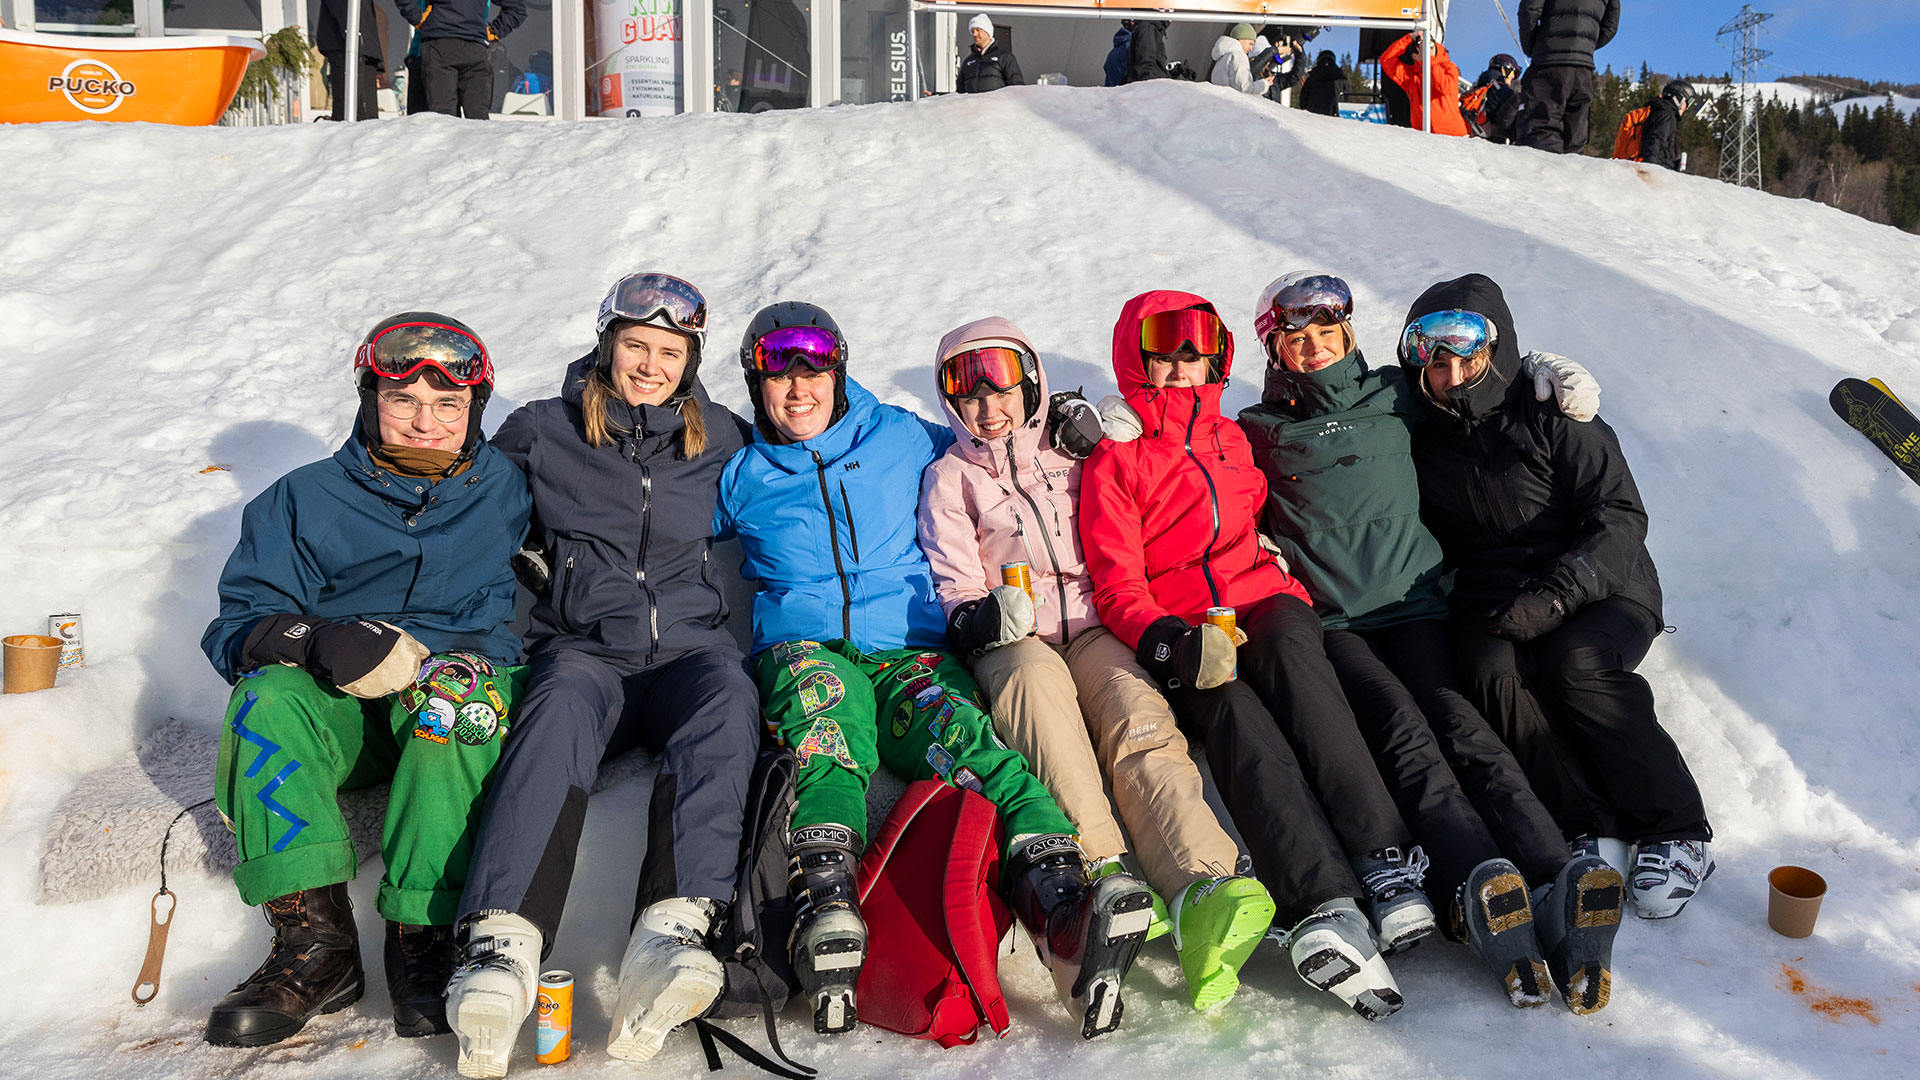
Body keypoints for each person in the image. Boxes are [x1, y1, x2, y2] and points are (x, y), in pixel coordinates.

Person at [714, 303, 1154, 1039]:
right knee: (829, 747)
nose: (798, 391)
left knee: (977, 750)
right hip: (805, 649)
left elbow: (997, 441)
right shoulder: (741, 473)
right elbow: (653, 519)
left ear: (839, 372)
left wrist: (1073, 419)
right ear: (754, 383)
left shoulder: (897, 434)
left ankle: (1062, 905)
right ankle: (827, 905)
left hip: (911, 650)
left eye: (813, 372)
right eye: (777, 375)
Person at [1239, 273, 1625, 1014]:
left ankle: (1553, 874)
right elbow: (1196, 466)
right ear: (1276, 349)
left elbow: (1472, 392)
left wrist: (1537, 373)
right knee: (1401, 728)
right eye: (1296, 338)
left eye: (1326, 333)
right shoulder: (1259, 429)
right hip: (1341, 625)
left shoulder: (1398, 394)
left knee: (1462, 726)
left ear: (1347, 334)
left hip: (1418, 607)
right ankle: (1478, 874)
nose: (1314, 348)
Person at [441, 275, 762, 1077]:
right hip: (585, 646)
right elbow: (464, 504)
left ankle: (674, 931)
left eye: (668, 351)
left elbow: (809, 453)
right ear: (606, 344)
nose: (649, 364)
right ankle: (501, 945)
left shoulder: (719, 434)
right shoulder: (542, 431)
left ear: (689, 361)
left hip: (690, 650)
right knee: (553, 713)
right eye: (635, 346)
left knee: (728, 700)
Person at [1082, 291, 1423, 1022]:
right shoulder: (1118, 453)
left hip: (1261, 598)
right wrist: (1168, 641)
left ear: (1217, 356)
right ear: (1136, 359)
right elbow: (1116, 582)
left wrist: (1286, 582)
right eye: (1163, 353)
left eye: (1194, 351)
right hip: (1184, 623)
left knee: (1301, 668)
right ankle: (1321, 900)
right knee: (1233, 712)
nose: (1180, 367)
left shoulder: (1232, 437)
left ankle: (1384, 859)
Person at [917, 318, 1275, 1012]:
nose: (990, 408)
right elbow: (953, 587)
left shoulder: (1073, 448)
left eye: (1004, 389)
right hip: (1016, 641)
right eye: (970, 396)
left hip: (1094, 623)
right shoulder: (950, 477)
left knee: (1139, 718)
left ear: (1032, 386)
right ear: (951, 405)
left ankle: (1202, 887)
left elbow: (1153, 482)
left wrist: (1107, 426)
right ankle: (1102, 877)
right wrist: (984, 618)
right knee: (1040, 708)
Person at [199, 314, 530, 1048]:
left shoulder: (508, 487)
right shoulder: (300, 500)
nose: (425, 420)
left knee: (457, 703)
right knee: (265, 698)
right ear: (367, 396)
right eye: (402, 399)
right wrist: (315, 640)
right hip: (345, 709)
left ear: (474, 409)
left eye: (447, 405)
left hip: (451, 687)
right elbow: (234, 628)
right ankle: (315, 949)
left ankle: (423, 935)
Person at [1398, 274, 1715, 921]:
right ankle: (1584, 824)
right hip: (1497, 593)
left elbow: (1620, 516)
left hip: (1605, 583)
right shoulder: (1417, 428)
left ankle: (1677, 828)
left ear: (1500, 352)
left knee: (1576, 665)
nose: (1453, 376)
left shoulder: (1551, 409)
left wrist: (1558, 595)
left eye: (1469, 359)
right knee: (1489, 673)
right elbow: (1333, 394)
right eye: (1437, 363)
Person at [1516, 0, 1621, 153]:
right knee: (1575, 135)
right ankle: (1572, 174)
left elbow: (1529, 9)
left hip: (1549, 61)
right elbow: (1611, 24)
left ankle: (1545, 173)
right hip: (1583, 69)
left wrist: (1532, 46)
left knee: (1540, 128)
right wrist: (1585, 45)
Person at [394, 0, 527, 118]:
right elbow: (517, 8)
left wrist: (418, 19)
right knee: (478, 118)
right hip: (474, 48)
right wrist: (492, 31)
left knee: (442, 119)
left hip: (439, 45)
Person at [312, 0, 389, 120]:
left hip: (363, 49)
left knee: (367, 116)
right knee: (347, 114)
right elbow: (341, 8)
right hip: (346, 46)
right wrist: (353, 36)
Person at [1379, 31, 1467, 135]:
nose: (1427, 49)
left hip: (1452, 135)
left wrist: (1429, 61)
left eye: (1430, 45)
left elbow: (1443, 87)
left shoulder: (1449, 67)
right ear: (1414, 56)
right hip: (1424, 136)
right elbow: (1386, 60)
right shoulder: (1410, 75)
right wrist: (1409, 38)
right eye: (1421, 48)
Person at [1629, 79, 1696, 170]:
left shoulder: (1660, 112)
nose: (1687, 108)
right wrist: (1651, 171)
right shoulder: (1666, 115)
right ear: (1679, 98)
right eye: (1688, 102)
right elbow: (1654, 142)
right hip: (1656, 172)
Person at [1464, 53, 1524, 142]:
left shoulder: (1476, 87)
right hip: (1492, 139)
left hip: (1470, 133)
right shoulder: (1501, 89)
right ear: (1505, 70)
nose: (1512, 78)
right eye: (1513, 74)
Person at [958, 13, 1025, 93]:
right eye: (973, 31)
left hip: (997, 105)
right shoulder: (968, 62)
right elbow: (960, 91)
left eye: (978, 30)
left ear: (987, 31)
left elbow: (1017, 88)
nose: (974, 34)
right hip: (972, 105)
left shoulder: (1004, 57)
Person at [1209, 24, 1271, 97]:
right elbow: (1244, 88)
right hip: (1232, 104)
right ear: (1241, 38)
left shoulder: (1223, 55)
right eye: (1250, 44)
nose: (1251, 48)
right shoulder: (1239, 56)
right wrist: (1264, 84)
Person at [1124, 19, 1176, 83]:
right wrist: (1150, 87)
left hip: (1152, 86)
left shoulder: (1150, 29)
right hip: (1152, 87)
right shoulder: (1147, 29)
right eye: (1169, 9)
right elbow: (1145, 63)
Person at [1300, 50, 1347, 116]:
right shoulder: (1341, 78)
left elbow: (1303, 99)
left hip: (1312, 116)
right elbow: (1348, 98)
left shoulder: (1312, 78)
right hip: (1336, 116)